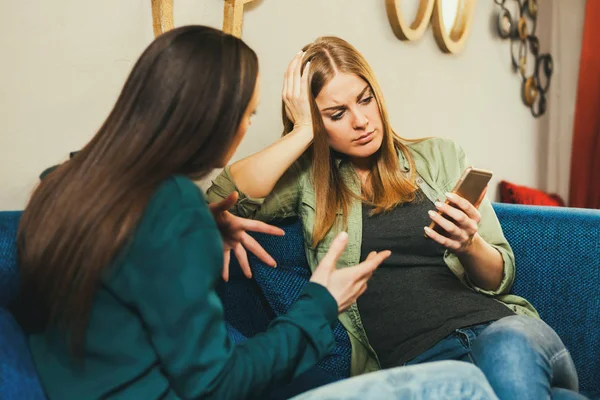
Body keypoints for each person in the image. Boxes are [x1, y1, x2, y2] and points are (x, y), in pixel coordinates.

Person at [10, 26, 500, 400]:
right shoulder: (174, 206)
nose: (247, 130)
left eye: (364, 100)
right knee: (461, 384)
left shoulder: (55, 187)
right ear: (214, 124)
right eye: (247, 116)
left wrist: (203, 224)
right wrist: (320, 303)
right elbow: (218, 383)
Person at [207, 36, 587, 400]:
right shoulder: (310, 184)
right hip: (423, 367)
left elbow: (499, 276)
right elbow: (221, 197)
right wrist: (303, 130)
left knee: (505, 351)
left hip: (507, 332)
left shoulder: (440, 156)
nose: (361, 121)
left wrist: (470, 243)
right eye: (337, 114)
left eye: (365, 99)